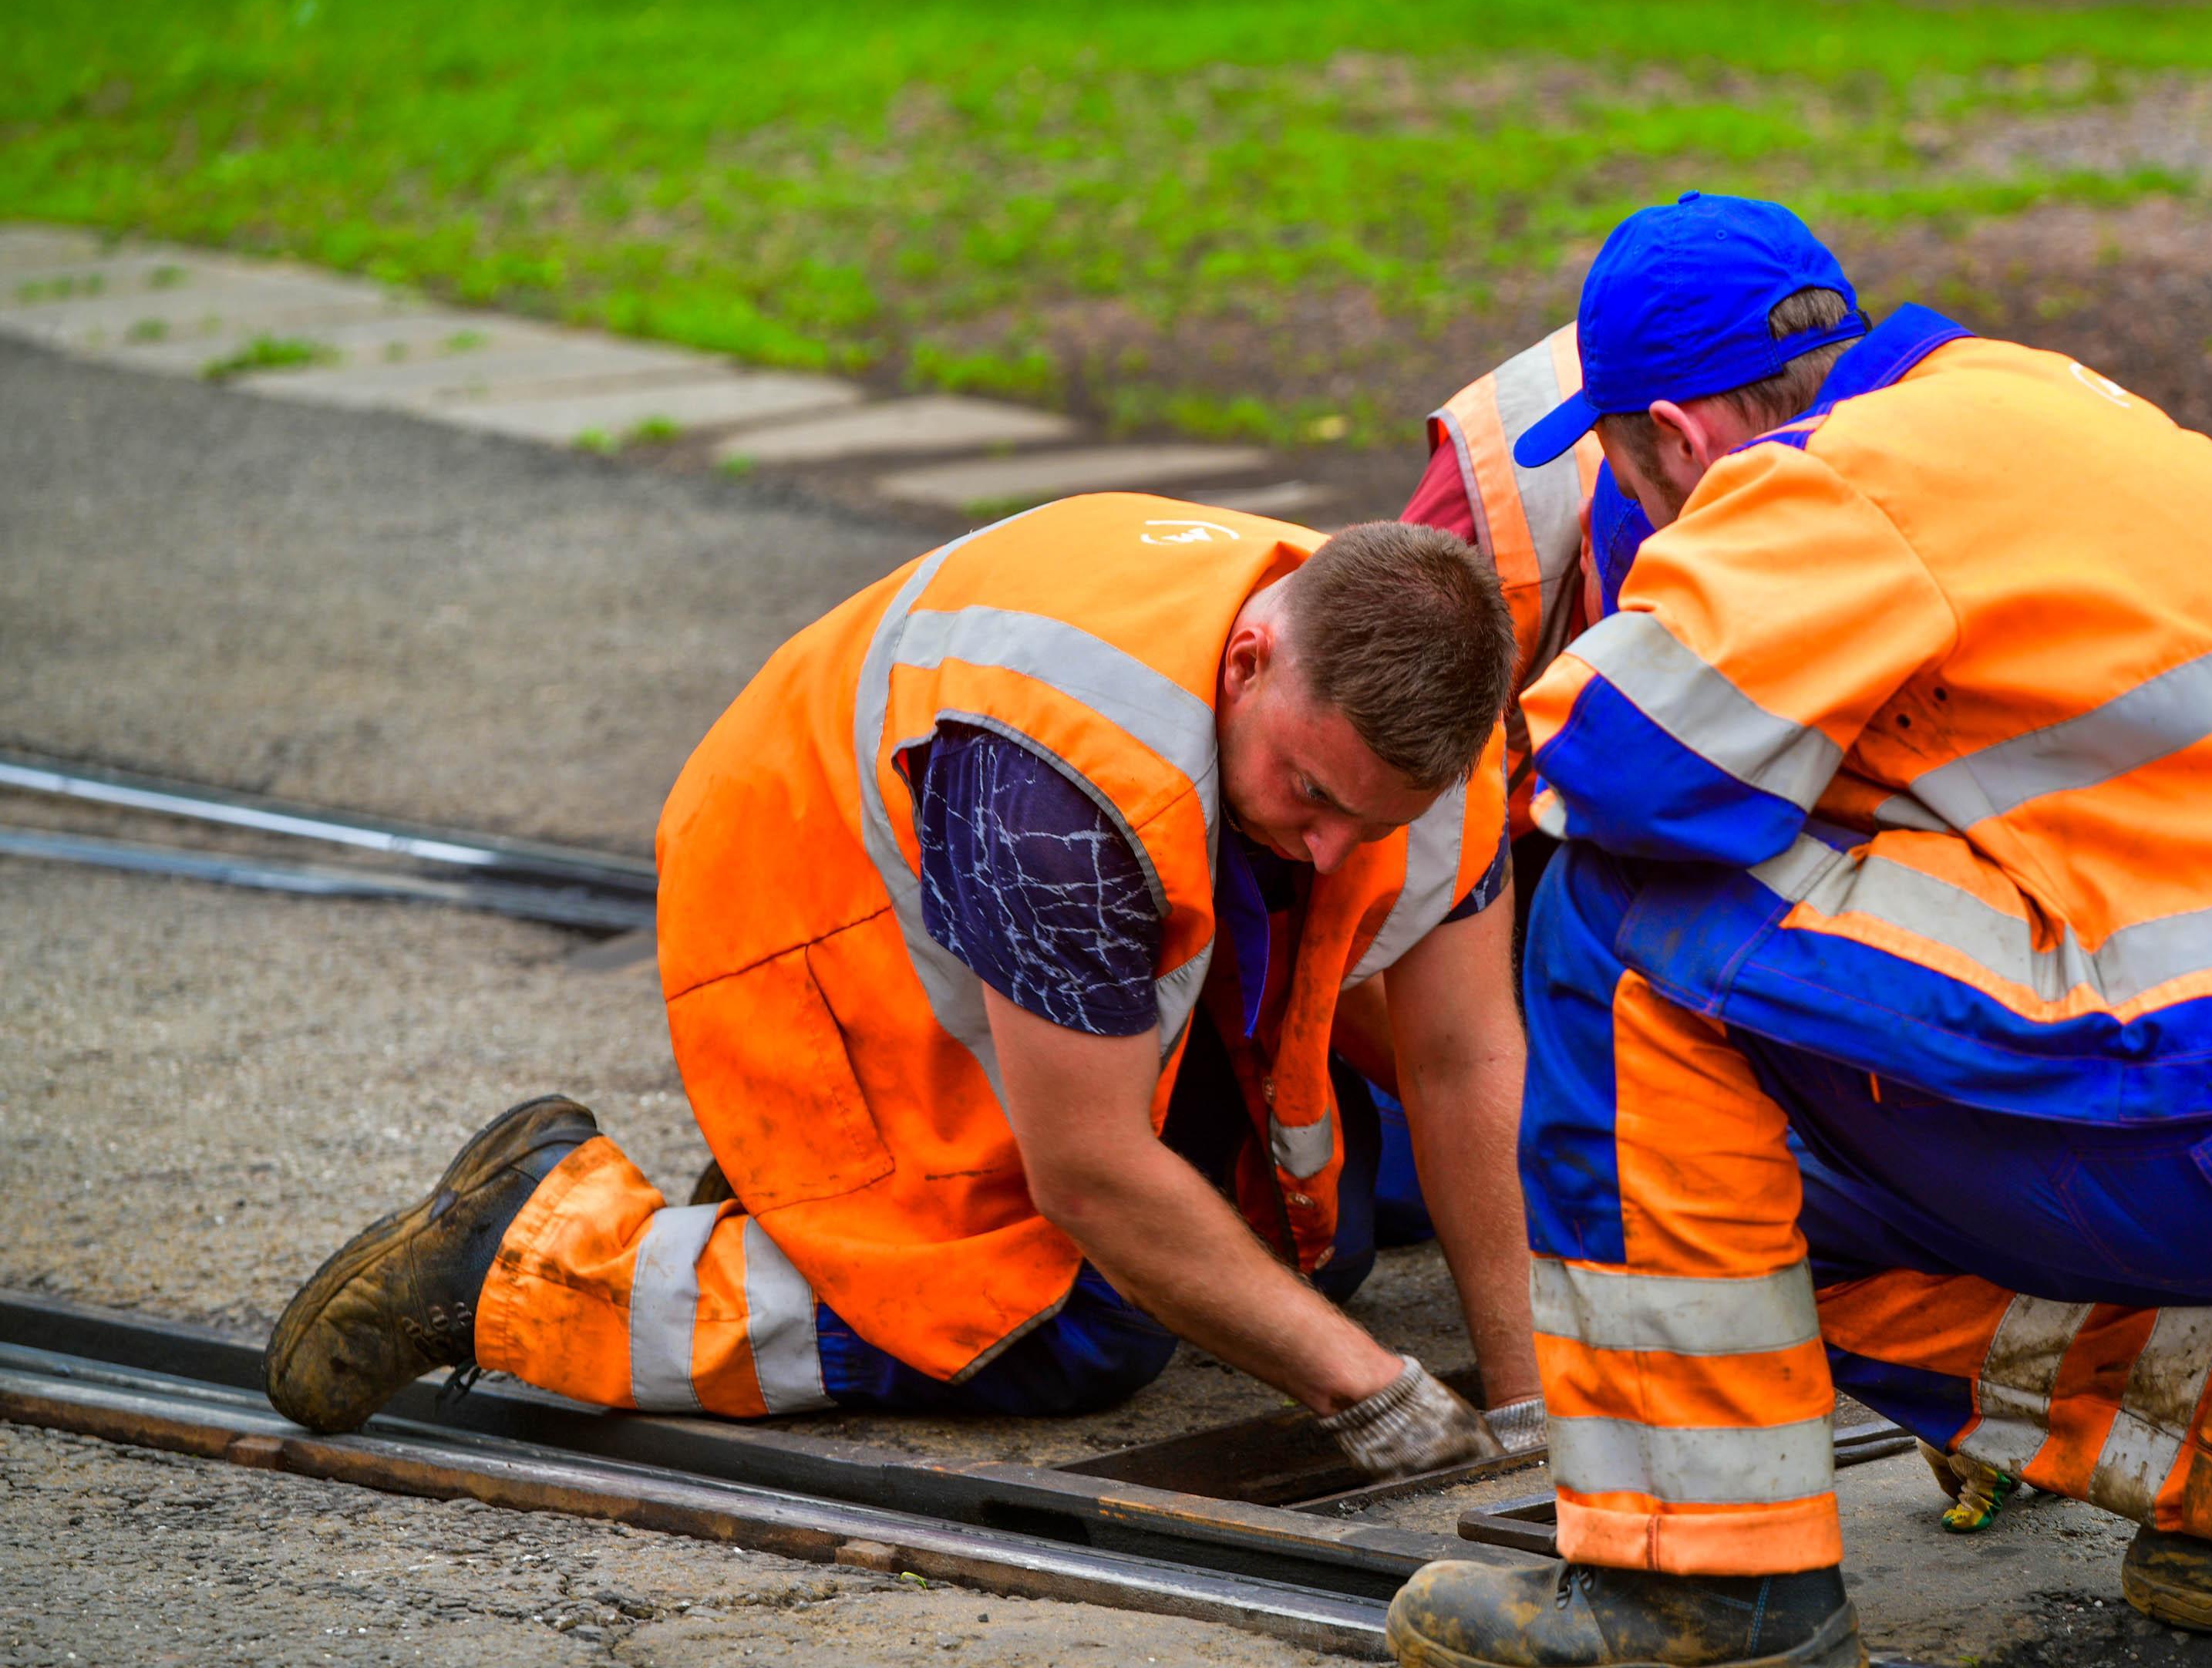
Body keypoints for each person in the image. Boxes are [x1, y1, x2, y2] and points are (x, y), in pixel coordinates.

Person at [1385, 194, 2212, 1668]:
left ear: (1673, 436)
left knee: (1610, 922)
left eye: (1629, 476)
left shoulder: (1821, 484)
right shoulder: (2031, 402)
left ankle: (1694, 1585)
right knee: (1719, 1196)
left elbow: (1619, 770)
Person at [266, 498, 1543, 1478]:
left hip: (1044, 852)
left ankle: (845, 1212)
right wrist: (1363, 1391)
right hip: (808, 902)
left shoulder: (1424, 724)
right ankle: (533, 1255)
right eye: (1312, 798)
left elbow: (1462, 1060)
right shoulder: (1067, 798)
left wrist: (1527, 1386)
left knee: (1311, 1238)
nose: (1331, 850)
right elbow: (1090, 1174)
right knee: (1060, 1324)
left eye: (1374, 821)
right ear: (1251, 661)